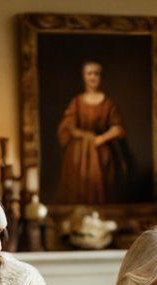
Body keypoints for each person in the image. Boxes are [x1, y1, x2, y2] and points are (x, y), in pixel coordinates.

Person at [56, 60, 129, 204]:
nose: (93, 77)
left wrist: (102, 138)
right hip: (78, 155)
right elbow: (67, 127)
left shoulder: (108, 103)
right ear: (84, 76)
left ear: (101, 77)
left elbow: (118, 128)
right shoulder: (77, 102)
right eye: (89, 73)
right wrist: (85, 136)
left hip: (102, 153)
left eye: (96, 74)